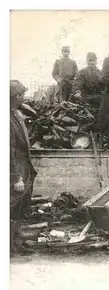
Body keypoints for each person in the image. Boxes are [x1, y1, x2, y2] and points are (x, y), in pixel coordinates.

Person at [10, 80, 38, 253]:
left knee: (21, 206)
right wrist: (15, 177)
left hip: (23, 164)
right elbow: (7, 150)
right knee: (11, 206)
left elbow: (32, 114)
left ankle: (16, 241)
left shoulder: (15, 113)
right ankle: (9, 248)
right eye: (21, 94)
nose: (24, 97)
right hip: (16, 166)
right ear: (15, 96)